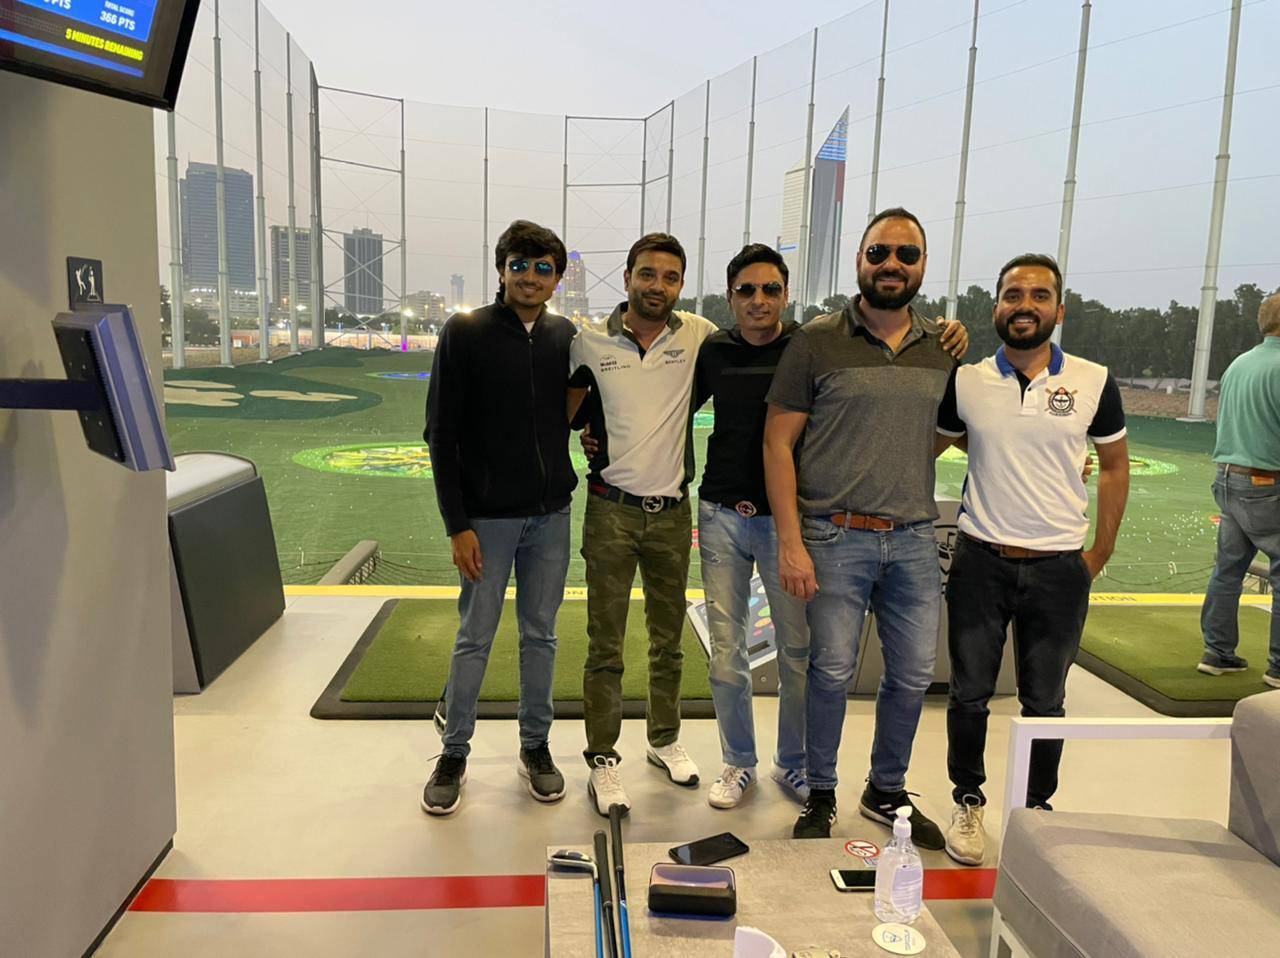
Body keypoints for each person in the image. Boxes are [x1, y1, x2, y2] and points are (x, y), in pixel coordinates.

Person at [763, 207, 965, 846]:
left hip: (911, 538)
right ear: (860, 260)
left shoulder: (943, 348)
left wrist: (893, 463)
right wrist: (791, 542)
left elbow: (943, 433)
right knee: (831, 672)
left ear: (923, 266)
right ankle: (820, 793)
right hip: (833, 537)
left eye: (907, 255)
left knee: (910, 676)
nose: (892, 265)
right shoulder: (817, 341)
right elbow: (777, 444)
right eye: (880, 253)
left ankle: (885, 790)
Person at [935, 253, 1130, 866]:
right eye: (1012, 295)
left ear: (1058, 310)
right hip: (979, 562)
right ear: (995, 306)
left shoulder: (1095, 380)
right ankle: (968, 800)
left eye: (1038, 296)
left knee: (1045, 701)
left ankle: (1033, 810)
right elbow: (931, 442)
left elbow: (1116, 465)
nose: (1025, 306)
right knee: (968, 694)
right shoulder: (966, 381)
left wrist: (1097, 552)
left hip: (1058, 570)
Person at [420, 220, 577, 815]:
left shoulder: (565, 335)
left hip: (551, 515)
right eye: (520, 264)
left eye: (543, 268)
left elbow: (577, 407)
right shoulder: (466, 333)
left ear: (557, 277)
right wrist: (456, 523)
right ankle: (454, 751)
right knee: (475, 637)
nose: (530, 277)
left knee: (541, 635)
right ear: (501, 268)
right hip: (486, 519)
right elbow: (441, 434)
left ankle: (535, 746)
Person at [567, 233, 718, 817]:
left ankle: (663, 739)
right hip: (610, 510)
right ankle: (603, 758)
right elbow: (567, 403)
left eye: (671, 277)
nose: (658, 286)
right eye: (648, 274)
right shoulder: (589, 339)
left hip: (672, 514)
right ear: (627, 276)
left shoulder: (699, 335)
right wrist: (586, 432)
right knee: (605, 642)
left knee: (668, 640)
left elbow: (768, 340)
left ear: (681, 284)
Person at [1197, 291, 1280, 690]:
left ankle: (1218, 653)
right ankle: (1279, 667)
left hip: (1228, 480)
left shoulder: (1239, 364)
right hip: (1268, 486)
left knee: (1228, 570)